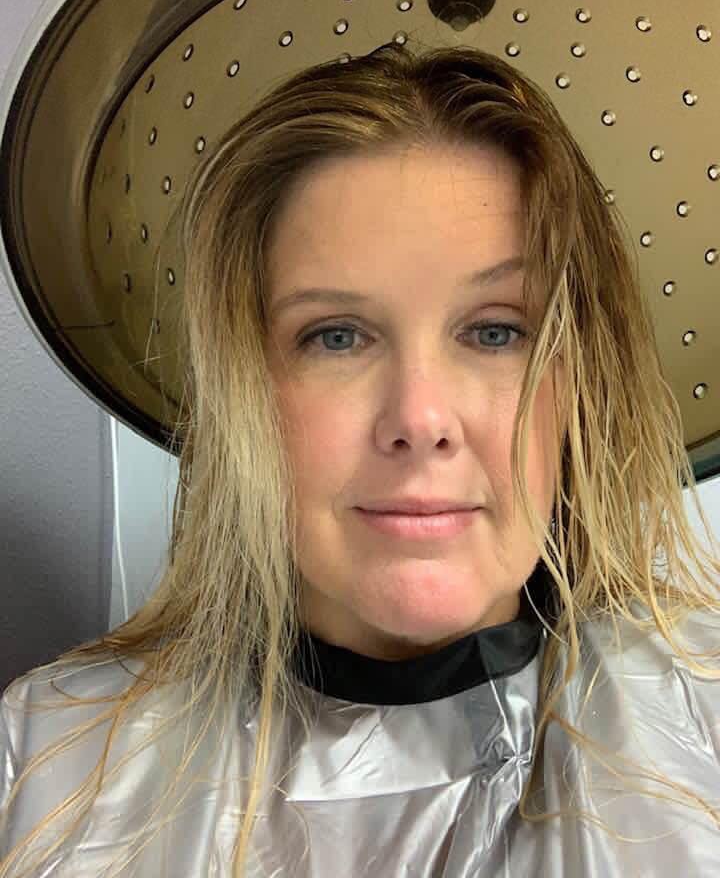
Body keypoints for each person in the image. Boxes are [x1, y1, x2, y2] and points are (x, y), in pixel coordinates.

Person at [2, 43, 720, 878]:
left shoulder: (704, 730)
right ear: (245, 389)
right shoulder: (48, 768)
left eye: (495, 330)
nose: (419, 419)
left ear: (582, 384)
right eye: (336, 336)